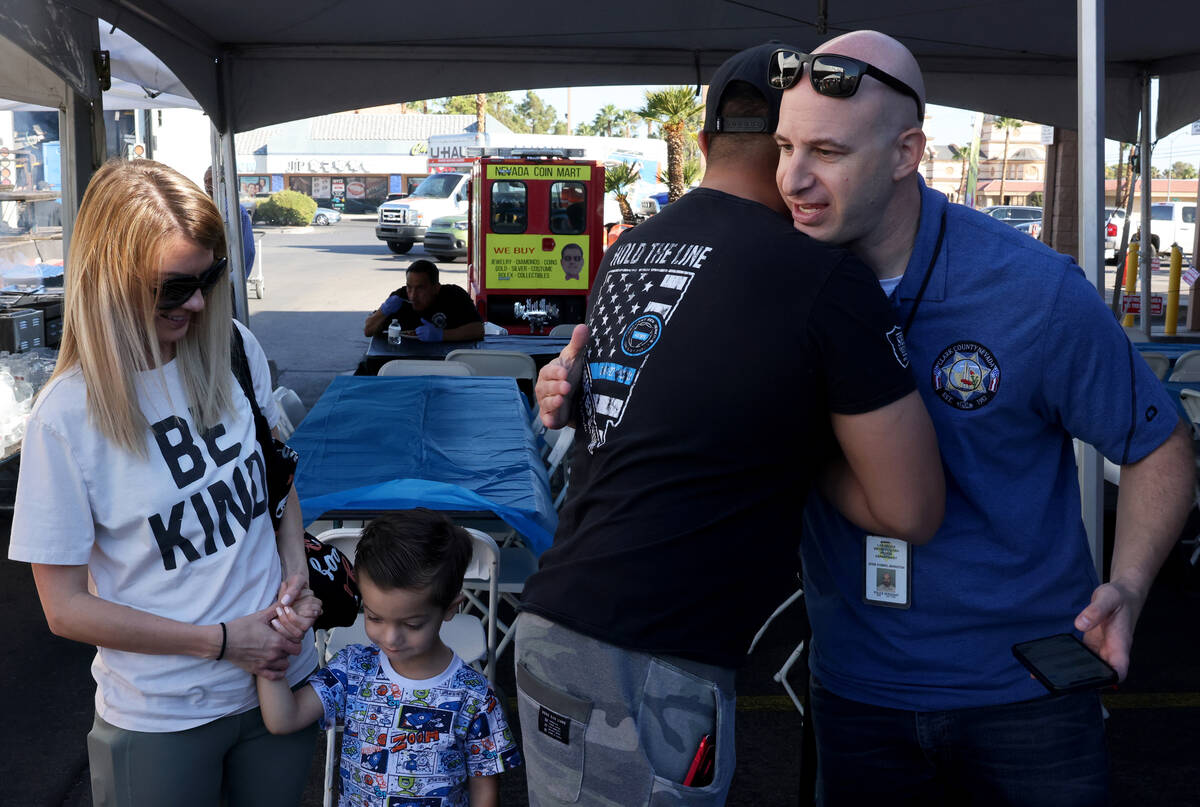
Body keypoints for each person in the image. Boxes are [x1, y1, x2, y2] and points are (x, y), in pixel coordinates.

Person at [773, 30, 1195, 805]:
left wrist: (1129, 587)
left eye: (827, 152)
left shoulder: (1034, 291)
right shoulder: (775, 277)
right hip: (857, 691)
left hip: (1025, 693)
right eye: (784, 145)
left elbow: (1158, 442)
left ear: (906, 154)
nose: (792, 178)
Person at [518, 43, 945, 806]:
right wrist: (793, 438)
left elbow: (614, 410)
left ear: (708, 139)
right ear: (790, 147)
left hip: (558, 619)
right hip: (649, 657)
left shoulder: (631, 250)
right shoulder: (823, 280)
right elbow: (910, 508)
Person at [7, 158, 318, 806]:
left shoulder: (230, 346)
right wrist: (225, 642)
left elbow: (275, 480)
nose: (199, 302)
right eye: (174, 287)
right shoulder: (66, 416)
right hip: (163, 717)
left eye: (208, 277)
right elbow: (63, 608)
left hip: (279, 683)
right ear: (112, 281)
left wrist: (295, 574)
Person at [256, 509, 521, 806]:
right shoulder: (352, 669)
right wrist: (269, 652)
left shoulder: (475, 696)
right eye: (374, 617)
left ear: (451, 608)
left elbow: (484, 790)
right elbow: (284, 718)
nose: (391, 637)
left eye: (412, 624)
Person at [362, 259, 484, 343]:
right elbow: (368, 331)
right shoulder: (399, 298)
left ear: (436, 288)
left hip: (445, 363)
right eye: (409, 287)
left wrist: (442, 335)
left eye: (420, 288)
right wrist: (383, 311)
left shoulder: (454, 295)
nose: (413, 295)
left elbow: (478, 330)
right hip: (402, 361)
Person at [204, 166, 257, 279]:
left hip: (228, 279)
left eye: (211, 180)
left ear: (223, 182)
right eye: (205, 181)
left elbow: (248, 251)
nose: (207, 185)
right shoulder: (203, 209)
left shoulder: (236, 211)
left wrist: (235, 280)